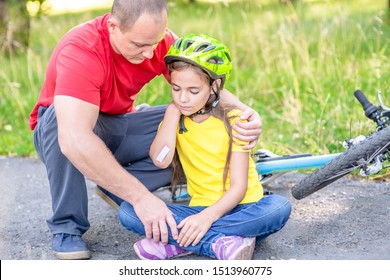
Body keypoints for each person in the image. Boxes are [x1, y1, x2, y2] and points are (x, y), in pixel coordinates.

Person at [29, 0, 263, 260]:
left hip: (121, 125)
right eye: (140, 45)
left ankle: (117, 185)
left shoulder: (157, 41)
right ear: (113, 26)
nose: (151, 54)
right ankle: (67, 227)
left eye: (155, 43)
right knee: (60, 121)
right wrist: (141, 199)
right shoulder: (82, 50)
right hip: (65, 134)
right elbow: (74, 139)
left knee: (190, 112)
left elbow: (202, 82)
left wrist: (246, 113)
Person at [118, 34, 291, 260]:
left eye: (193, 91)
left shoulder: (235, 120)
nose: (183, 98)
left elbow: (239, 188)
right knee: (128, 211)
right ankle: (218, 242)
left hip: (243, 208)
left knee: (278, 208)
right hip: (198, 210)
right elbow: (161, 160)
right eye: (176, 89)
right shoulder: (175, 119)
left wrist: (206, 219)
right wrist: (171, 114)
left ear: (214, 86)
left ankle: (180, 241)